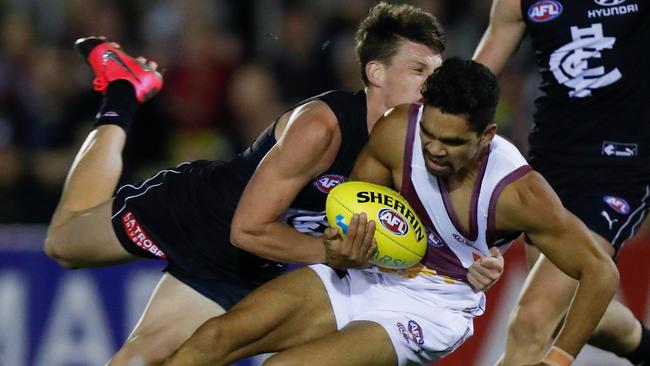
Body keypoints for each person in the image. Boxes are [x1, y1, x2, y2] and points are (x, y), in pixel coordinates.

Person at [43, 3, 503, 364]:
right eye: (419, 72)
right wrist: (333, 254)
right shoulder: (322, 127)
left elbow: (442, 224)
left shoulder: (418, 144)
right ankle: (122, 93)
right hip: (199, 216)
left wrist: (479, 263)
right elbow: (246, 227)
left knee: (139, 359)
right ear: (375, 72)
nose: (430, 87)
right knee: (63, 244)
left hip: (251, 262)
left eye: (435, 75)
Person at [164, 58, 618, 366]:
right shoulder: (397, 131)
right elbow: (351, 205)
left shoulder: (519, 194)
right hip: (370, 271)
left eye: (454, 142)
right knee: (214, 339)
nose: (436, 150)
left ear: (486, 135)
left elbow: (600, 272)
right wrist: (343, 244)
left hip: (433, 306)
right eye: (431, 134)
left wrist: (558, 358)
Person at [473, 0, 650, 364]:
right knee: (560, 312)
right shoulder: (515, 2)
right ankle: (642, 343)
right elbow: (472, 86)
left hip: (621, 167)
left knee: (531, 321)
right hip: (550, 168)